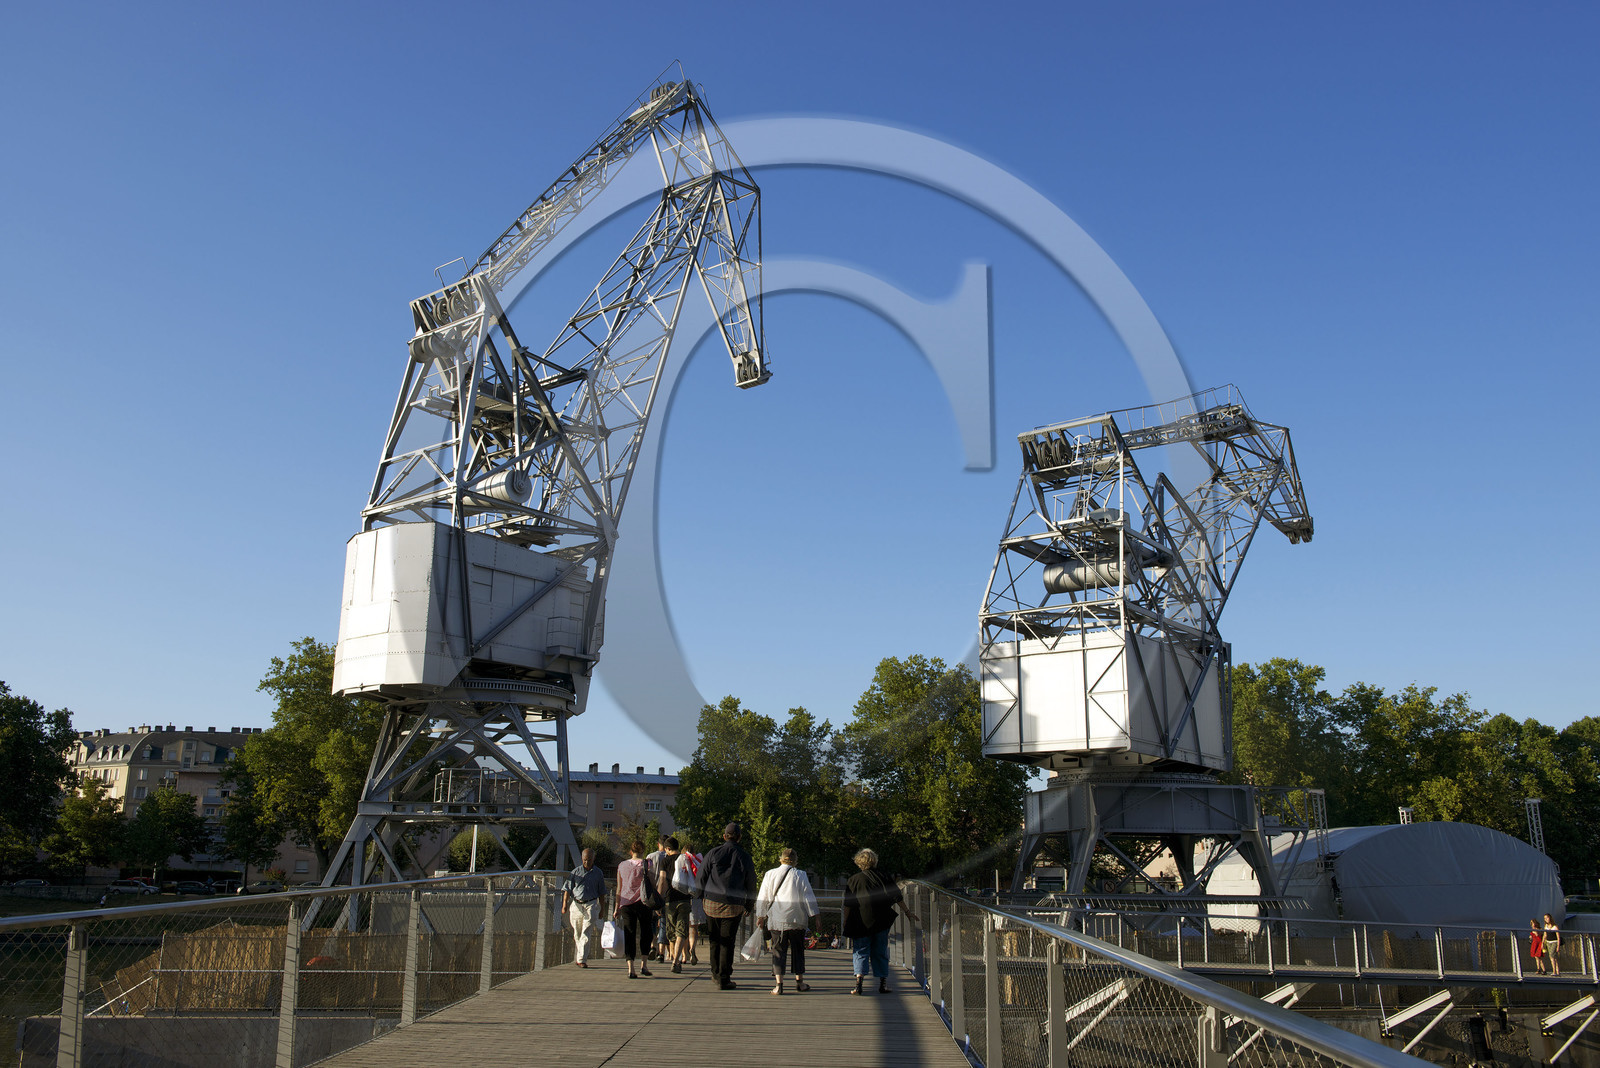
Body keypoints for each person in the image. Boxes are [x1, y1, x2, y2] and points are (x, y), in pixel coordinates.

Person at [696, 822, 757, 989]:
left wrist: (700, 896)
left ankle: (715, 973)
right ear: (739, 837)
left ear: (724, 836)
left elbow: (701, 876)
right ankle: (724, 977)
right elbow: (751, 882)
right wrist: (749, 904)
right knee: (728, 941)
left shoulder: (713, 853)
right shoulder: (745, 857)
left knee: (714, 939)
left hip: (711, 903)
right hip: (733, 905)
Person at [755, 847, 820, 995]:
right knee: (798, 951)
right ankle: (800, 982)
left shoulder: (770, 874)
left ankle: (779, 985)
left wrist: (761, 916)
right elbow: (808, 896)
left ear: (781, 859)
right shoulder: (801, 875)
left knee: (778, 951)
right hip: (797, 919)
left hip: (777, 920)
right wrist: (815, 915)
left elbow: (763, 896)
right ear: (795, 860)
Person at [842, 847, 902, 995]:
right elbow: (897, 896)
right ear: (874, 861)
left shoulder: (853, 880)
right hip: (881, 920)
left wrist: (845, 920)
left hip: (861, 920)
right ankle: (882, 983)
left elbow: (848, 904)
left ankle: (859, 983)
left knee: (860, 950)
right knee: (880, 951)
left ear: (859, 862)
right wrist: (907, 912)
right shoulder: (885, 877)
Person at [613, 840, 655, 978]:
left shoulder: (621, 865)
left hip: (625, 903)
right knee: (646, 932)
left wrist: (616, 907)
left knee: (629, 933)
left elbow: (619, 888)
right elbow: (652, 883)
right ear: (643, 850)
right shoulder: (647, 864)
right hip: (643, 902)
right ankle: (644, 964)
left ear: (630, 851)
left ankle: (630, 967)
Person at [560, 848, 607, 968]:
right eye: (585, 860)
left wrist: (602, 909)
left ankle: (582, 959)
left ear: (593, 859)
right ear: (582, 859)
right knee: (577, 932)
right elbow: (567, 889)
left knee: (586, 931)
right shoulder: (575, 872)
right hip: (576, 904)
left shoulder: (598, 873)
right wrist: (564, 904)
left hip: (591, 904)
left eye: (589, 860)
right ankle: (579, 956)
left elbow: (602, 893)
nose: (587, 862)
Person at [659, 836, 693, 973]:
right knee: (681, 931)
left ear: (667, 849)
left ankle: (674, 958)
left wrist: (659, 898)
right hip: (685, 898)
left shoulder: (665, 861)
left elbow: (662, 880)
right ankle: (675, 961)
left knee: (671, 932)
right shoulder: (685, 859)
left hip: (670, 900)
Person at [1544, 912, 1563, 976]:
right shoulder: (1546, 926)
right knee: (1553, 957)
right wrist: (1543, 943)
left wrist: (1558, 946)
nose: (1546, 919)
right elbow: (1545, 935)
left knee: (1551, 955)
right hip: (1548, 942)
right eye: (1545, 918)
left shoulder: (1555, 926)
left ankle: (1554, 971)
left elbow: (1558, 936)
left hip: (1554, 942)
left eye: (1547, 918)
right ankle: (1557, 971)